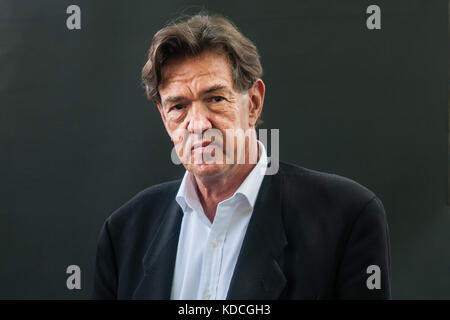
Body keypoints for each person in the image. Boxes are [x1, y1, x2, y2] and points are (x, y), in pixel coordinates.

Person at [92, 12, 391, 300]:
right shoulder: (124, 234)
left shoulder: (346, 218)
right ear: (163, 116)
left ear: (254, 103)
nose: (197, 124)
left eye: (215, 99)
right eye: (178, 106)